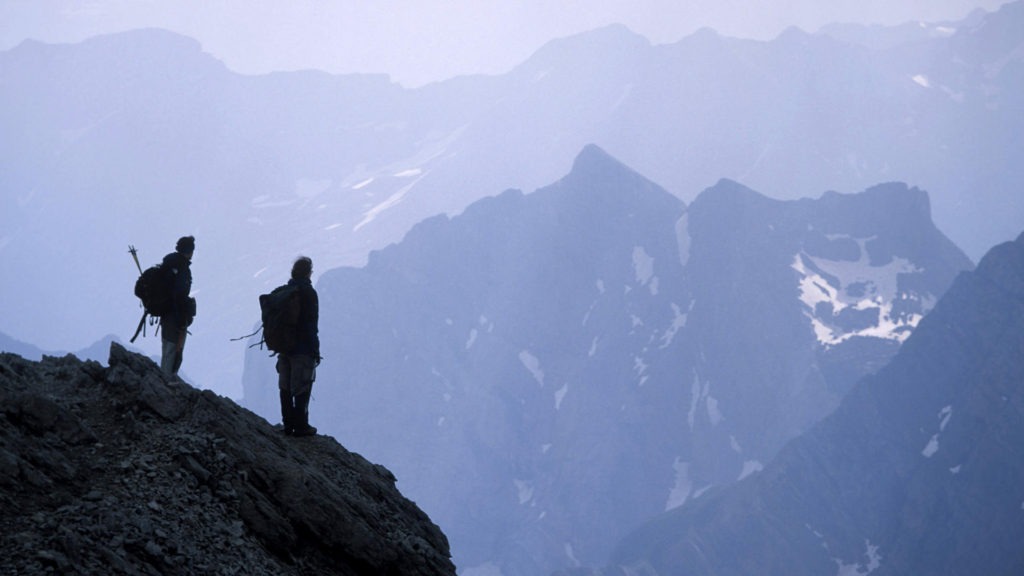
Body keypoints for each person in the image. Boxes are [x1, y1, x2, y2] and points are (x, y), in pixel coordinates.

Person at [278, 256, 320, 436]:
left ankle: (288, 424)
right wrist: (314, 349)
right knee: (302, 386)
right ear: (309, 272)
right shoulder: (308, 293)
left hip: (284, 347)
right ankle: (301, 426)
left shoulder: (286, 290)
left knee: (285, 387)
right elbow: (311, 324)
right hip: (302, 348)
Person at [160, 235, 196, 377]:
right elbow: (179, 296)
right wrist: (182, 320)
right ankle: (166, 382)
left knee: (167, 348)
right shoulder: (182, 268)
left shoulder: (169, 264)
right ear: (189, 251)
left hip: (165, 313)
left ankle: (164, 379)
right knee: (173, 350)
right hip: (174, 316)